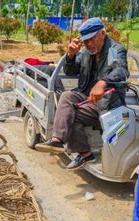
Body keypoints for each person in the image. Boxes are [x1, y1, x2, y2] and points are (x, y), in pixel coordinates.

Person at [35, 18, 129, 170]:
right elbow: (71, 71)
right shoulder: (86, 52)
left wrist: (103, 82)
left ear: (102, 33)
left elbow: (121, 70)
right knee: (66, 97)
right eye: (85, 41)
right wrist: (70, 56)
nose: (89, 44)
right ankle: (57, 140)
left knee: (71, 115)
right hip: (87, 97)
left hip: (107, 103)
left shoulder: (114, 50)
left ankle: (85, 154)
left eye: (92, 39)